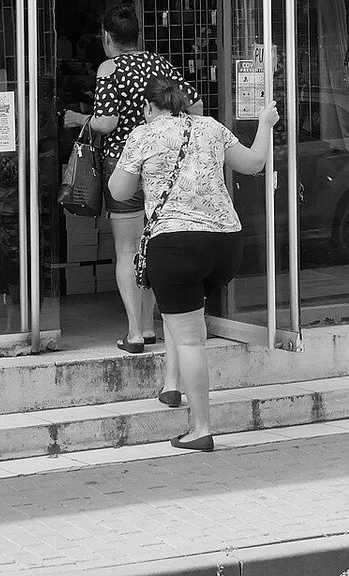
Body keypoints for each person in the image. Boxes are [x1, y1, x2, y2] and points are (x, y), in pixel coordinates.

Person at [109, 76, 276, 452]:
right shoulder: (210, 126)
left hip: (175, 246)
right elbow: (254, 163)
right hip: (225, 244)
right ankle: (171, 384)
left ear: (149, 107)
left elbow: (119, 191)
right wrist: (265, 123)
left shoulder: (143, 134)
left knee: (189, 337)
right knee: (182, 313)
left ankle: (201, 428)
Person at [74, 4, 204, 353]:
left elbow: (106, 122)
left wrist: (77, 119)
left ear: (107, 37)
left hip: (124, 164)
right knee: (153, 245)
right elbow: (196, 106)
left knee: (127, 249)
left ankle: (133, 333)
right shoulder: (159, 64)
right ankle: (148, 327)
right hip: (160, 164)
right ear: (137, 35)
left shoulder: (110, 68)